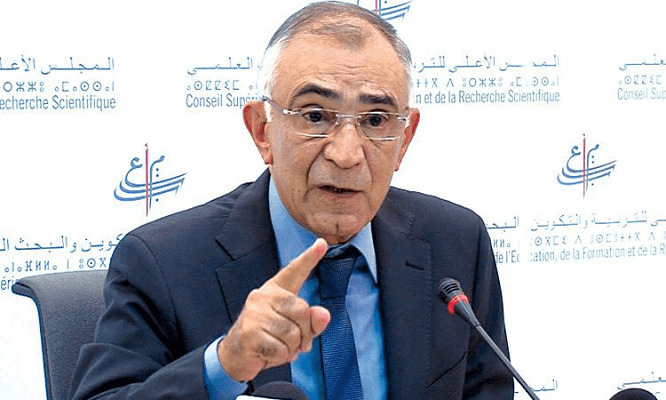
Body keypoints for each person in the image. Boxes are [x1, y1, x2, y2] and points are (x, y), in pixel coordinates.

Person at [69, 1, 514, 399]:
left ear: (405, 139)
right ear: (262, 131)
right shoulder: (162, 262)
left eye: (376, 120)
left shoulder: (457, 243)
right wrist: (224, 365)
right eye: (315, 116)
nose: (346, 154)